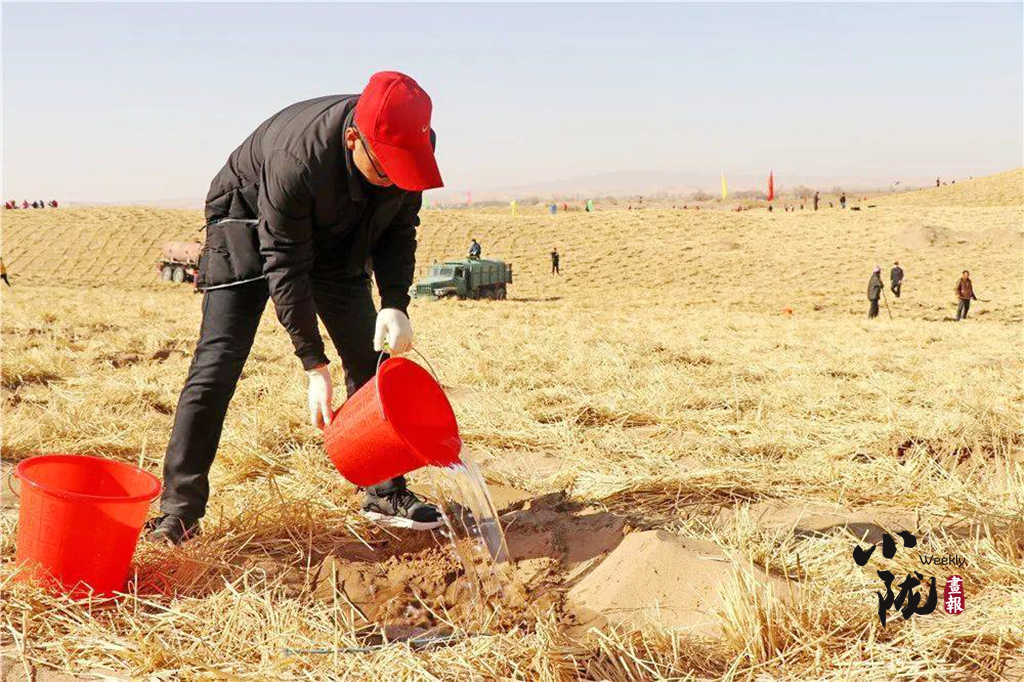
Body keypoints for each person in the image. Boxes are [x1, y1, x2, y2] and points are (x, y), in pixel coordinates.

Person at [147, 72, 445, 545]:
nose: (394, 178)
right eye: (384, 169)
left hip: (338, 230)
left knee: (368, 360)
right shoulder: (296, 160)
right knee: (217, 364)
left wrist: (394, 302)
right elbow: (284, 263)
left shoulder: (408, 145)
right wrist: (313, 363)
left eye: (401, 169)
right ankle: (178, 513)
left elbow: (399, 228)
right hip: (248, 221)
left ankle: (384, 491)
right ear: (354, 139)